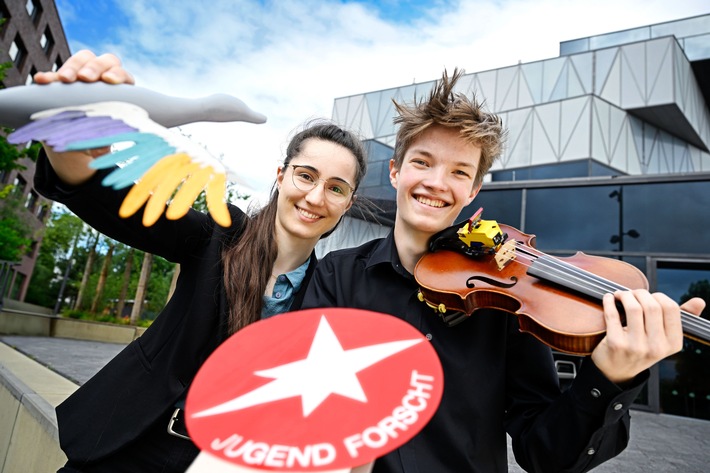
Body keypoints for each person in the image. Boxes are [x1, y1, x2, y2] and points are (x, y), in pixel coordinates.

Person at [300, 68, 707, 472]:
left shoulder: (507, 301)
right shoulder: (337, 277)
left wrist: (608, 377)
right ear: (395, 171)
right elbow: (304, 409)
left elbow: (544, 454)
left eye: (459, 171)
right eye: (422, 162)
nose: (437, 183)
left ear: (474, 189)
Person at [32, 51, 368, 473]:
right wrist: (70, 141)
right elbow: (110, 201)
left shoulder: (328, 292)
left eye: (336, 188)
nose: (316, 197)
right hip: (128, 448)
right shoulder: (220, 233)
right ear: (281, 176)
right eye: (306, 175)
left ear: (349, 202)